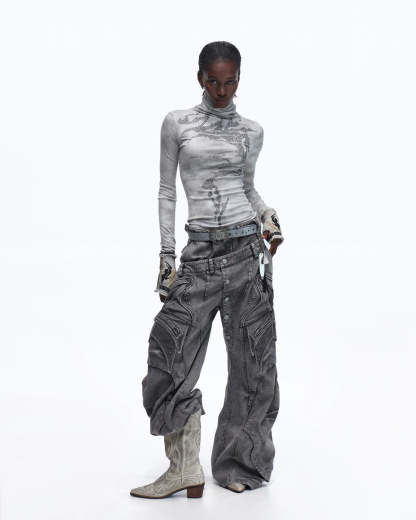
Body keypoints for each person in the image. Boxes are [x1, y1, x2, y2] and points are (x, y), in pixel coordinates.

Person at [130, 41, 284, 499]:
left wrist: (267, 216)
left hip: (246, 253)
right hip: (199, 257)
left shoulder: (251, 131)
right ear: (200, 77)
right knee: (168, 357)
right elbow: (166, 191)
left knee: (254, 367)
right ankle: (184, 469)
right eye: (214, 81)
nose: (222, 90)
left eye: (230, 81)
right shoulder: (177, 123)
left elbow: (247, 188)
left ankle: (240, 465)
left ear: (239, 79)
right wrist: (167, 257)